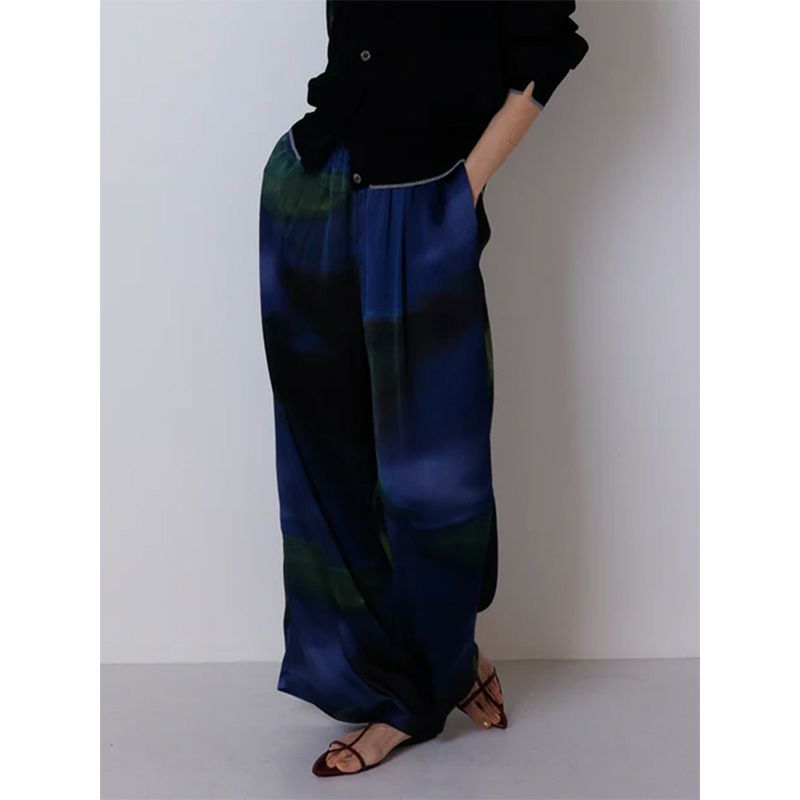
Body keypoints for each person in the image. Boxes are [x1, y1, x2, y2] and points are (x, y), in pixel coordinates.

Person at [258, 0, 588, 777]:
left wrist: (460, 189)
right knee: (328, 466)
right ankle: (409, 669)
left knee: (432, 483)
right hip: (313, 188)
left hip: (422, 201)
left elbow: (546, 53)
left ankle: (414, 694)